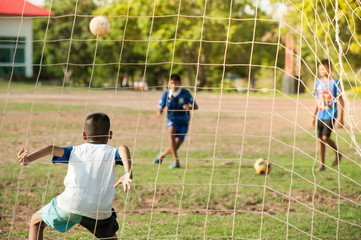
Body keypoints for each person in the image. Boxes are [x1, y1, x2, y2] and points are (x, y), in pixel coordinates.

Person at [17, 112, 132, 240]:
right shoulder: (111, 153)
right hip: (99, 210)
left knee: (36, 222)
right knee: (110, 237)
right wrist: (127, 172)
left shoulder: (74, 151)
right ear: (110, 135)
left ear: (84, 135)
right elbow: (123, 148)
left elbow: (50, 148)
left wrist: (28, 159)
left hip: (70, 204)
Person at [154, 74, 198, 169]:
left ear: (180, 83)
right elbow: (161, 106)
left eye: (176, 83)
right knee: (171, 132)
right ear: (169, 84)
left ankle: (162, 155)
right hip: (172, 120)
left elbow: (196, 106)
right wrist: (159, 112)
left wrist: (189, 107)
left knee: (176, 145)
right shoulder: (166, 94)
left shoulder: (185, 93)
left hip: (183, 122)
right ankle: (176, 161)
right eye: (172, 83)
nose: (174, 86)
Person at [312, 59, 344, 171]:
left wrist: (341, 117)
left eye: (324, 68)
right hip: (320, 114)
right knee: (320, 139)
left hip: (331, 114)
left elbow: (341, 100)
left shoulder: (335, 82)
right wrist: (314, 115)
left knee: (325, 137)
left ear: (330, 69)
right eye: (320, 69)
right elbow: (317, 100)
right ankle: (322, 165)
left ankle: (338, 153)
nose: (322, 71)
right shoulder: (318, 83)